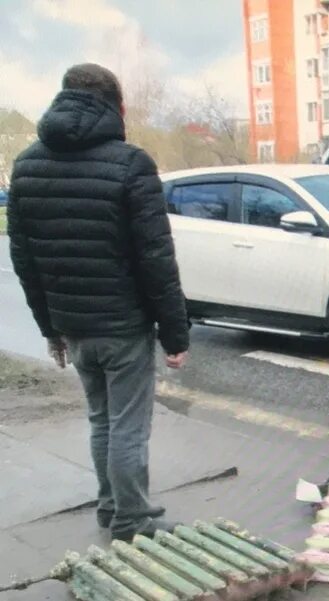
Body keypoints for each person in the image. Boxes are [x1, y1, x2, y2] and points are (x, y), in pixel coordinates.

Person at [7, 63, 190, 541]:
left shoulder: (25, 166)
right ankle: (132, 518)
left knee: (101, 419)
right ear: (117, 106)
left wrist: (50, 329)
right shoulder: (131, 163)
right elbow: (156, 259)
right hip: (123, 326)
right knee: (128, 425)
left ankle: (111, 507)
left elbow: (25, 260)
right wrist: (175, 333)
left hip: (74, 326)